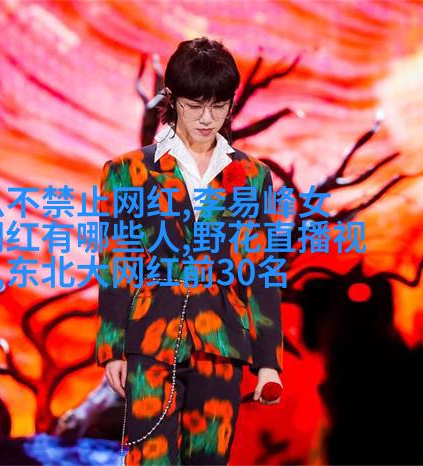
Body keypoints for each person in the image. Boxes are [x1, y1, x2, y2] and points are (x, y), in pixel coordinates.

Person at [95, 37, 284, 465]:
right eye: (195, 105)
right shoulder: (128, 172)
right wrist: (112, 348)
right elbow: (115, 262)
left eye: (219, 106)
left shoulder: (252, 176)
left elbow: (262, 271)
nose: (207, 118)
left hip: (221, 340)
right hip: (152, 340)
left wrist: (268, 361)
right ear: (172, 98)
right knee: (150, 460)